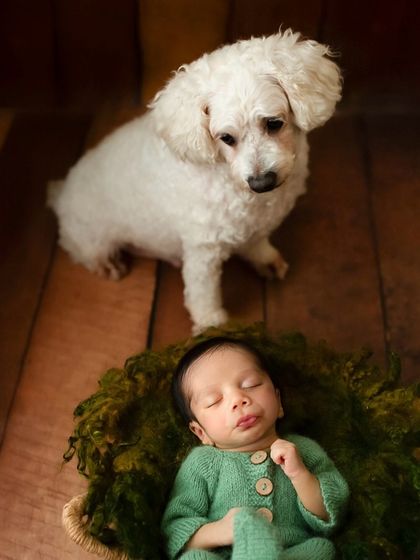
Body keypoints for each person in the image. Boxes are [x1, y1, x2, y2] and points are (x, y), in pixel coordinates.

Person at [161, 337, 349, 560]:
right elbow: (175, 532)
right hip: (226, 555)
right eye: (214, 400)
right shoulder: (202, 462)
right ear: (201, 432)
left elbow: (330, 515)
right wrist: (223, 530)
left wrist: (300, 475)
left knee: (321, 549)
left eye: (251, 385)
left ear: (279, 402)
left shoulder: (301, 449)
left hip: (290, 553)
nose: (238, 399)